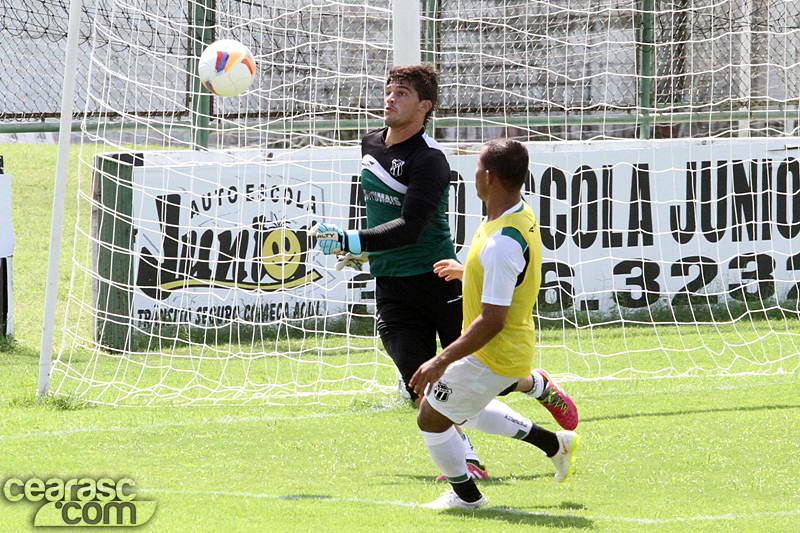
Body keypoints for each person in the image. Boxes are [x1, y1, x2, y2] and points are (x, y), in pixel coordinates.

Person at [313, 64, 577, 480]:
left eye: (401, 93)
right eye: (388, 91)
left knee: (485, 378)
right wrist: (366, 254)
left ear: (424, 106)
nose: (390, 99)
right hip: (392, 287)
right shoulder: (369, 145)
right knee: (427, 392)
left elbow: (410, 226)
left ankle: (534, 385)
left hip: (439, 281)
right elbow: (382, 215)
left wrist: (353, 241)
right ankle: (473, 459)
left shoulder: (431, 159)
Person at [408, 139, 581, 510]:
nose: (472, 176)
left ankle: (466, 497)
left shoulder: (501, 242)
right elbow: (506, 275)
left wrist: (439, 361)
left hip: (494, 353)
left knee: (430, 417)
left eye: (475, 170)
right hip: (504, 350)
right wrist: (466, 272)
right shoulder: (512, 214)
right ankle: (554, 444)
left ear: (488, 177)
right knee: (457, 407)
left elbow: (492, 321)